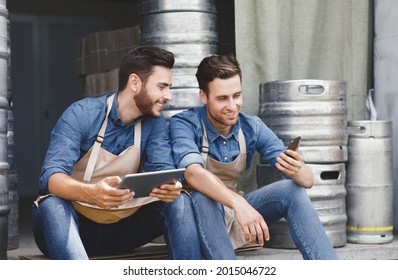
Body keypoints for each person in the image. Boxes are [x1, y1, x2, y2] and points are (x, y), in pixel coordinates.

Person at [166, 53, 338, 260]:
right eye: (222, 98)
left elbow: (307, 181)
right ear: (203, 96)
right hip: (196, 222)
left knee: (292, 190)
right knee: (204, 195)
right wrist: (238, 203)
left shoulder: (251, 127)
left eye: (237, 96)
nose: (232, 106)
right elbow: (192, 173)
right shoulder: (184, 123)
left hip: (232, 217)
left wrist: (297, 170)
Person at [32, 46, 184, 260]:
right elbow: (50, 178)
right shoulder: (81, 114)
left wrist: (170, 187)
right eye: (162, 87)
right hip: (75, 228)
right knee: (50, 205)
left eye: (169, 87)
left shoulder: (154, 123)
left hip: (123, 229)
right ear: (134, 82)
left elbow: (163, 170)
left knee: (180, 200)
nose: (168, 96)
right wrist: (92, 193)